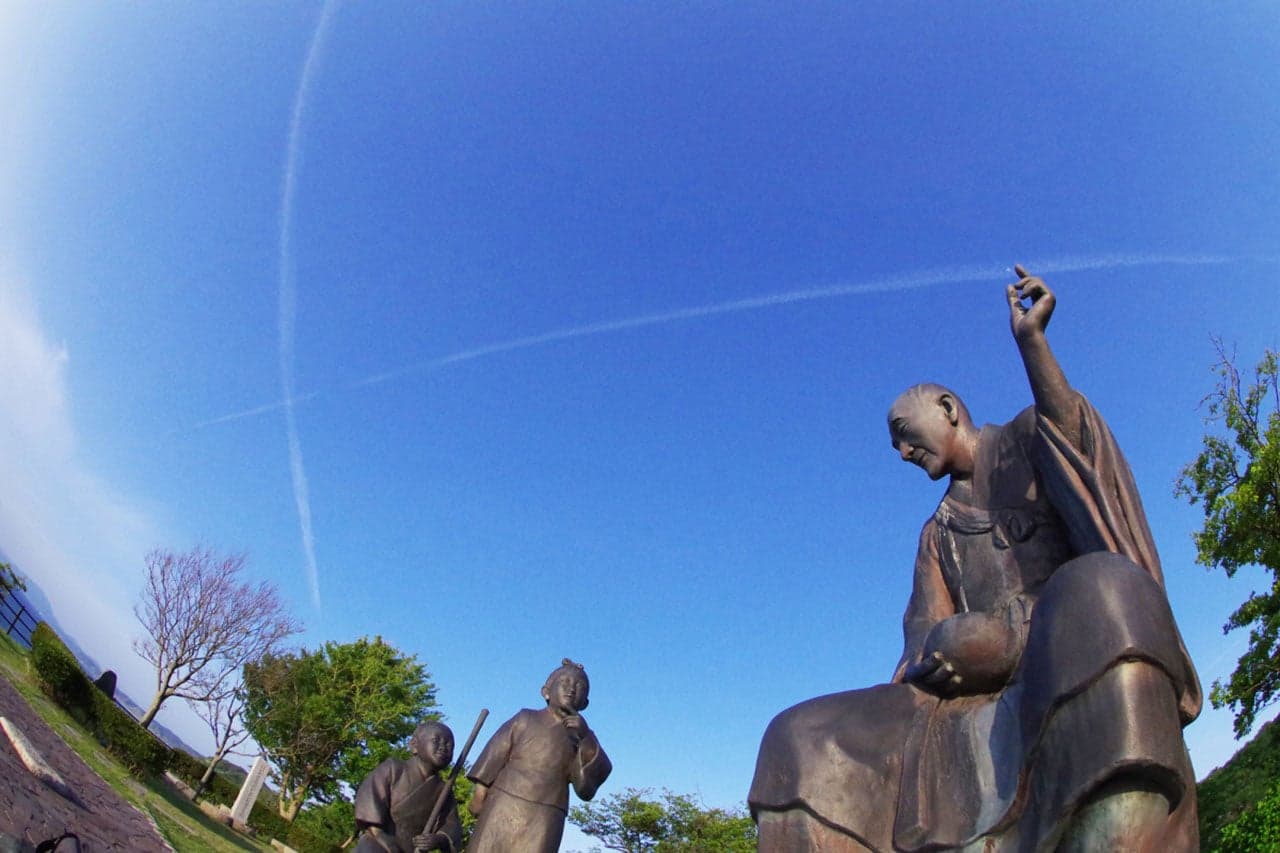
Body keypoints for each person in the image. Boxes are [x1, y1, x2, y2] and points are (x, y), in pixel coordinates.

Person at [749, 267, 1202, 852]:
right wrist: (949, 650)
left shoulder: (1024, 441)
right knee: (796, 734)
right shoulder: (936, 534)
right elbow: (921, 636)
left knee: (1103, 584)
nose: (902, 452)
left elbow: (1074, 437)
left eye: (904, 433)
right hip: (965, 701)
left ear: (947, 408)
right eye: (895, 445)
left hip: (1062, 652)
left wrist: (1032, 345)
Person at [467, 658, 612, 852]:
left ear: (585, 703)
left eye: (580, 687)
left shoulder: (582, 736)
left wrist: (585, 736)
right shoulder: (525, 718)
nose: (571, 690)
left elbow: (591, 780)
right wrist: (480, 791)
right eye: (564, 683)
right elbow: (495, 752)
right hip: (504, 799)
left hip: (548, 810)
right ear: (546, 692)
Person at [353, 721, 462, 853]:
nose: (443, 747)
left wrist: (440, 839)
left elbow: (452, 825)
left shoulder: (444, 791)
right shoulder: (393, 769)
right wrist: (379, 835)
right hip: (377, 845)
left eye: (449, 744)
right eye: (436, 741)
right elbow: (369, 801)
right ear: (414, 745)